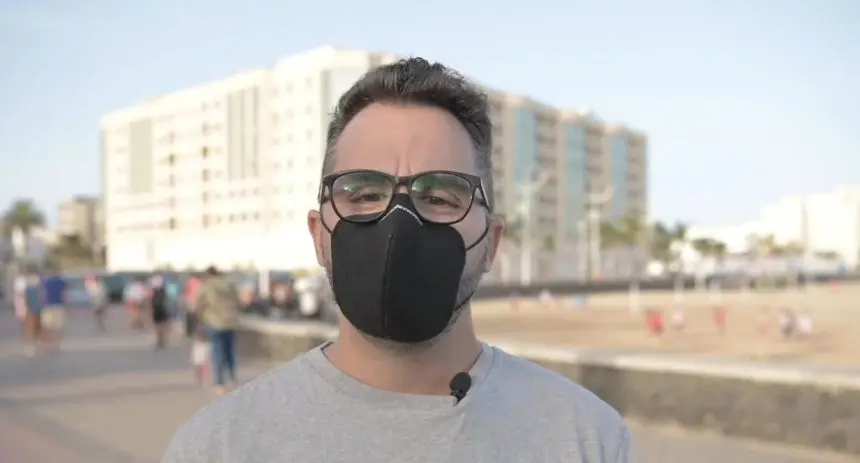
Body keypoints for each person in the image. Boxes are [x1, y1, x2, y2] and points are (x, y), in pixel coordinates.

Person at [163, 58, 633, 462]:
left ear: (491, 242)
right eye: (364, 193)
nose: (400, 221)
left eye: (442, 197)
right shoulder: (217, 448)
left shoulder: (588, 440)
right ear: (318, 235)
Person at [195, 266, 241, 396]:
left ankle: (219, 383)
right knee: (230, 352)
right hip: (230, 322)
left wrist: (200, 323)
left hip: (214, 323)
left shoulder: (207, 286)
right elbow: (238, 303)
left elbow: (200, 304)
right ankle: (233, 379)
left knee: (217, 353)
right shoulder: (230, 285)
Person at [41, 271, 67, 352]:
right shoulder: (61, 282)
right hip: (58, 305)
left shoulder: (46, 281)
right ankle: (56, 344)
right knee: (57, 326)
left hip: (48, 305)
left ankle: (49, 343)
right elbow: (64, 294)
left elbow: (43, 293)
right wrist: (66, 304)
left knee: (47, 325)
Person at [21, 268, 45, 357]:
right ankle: (34, 345)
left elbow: (25, 298)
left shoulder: (29, 286)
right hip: (36, 308)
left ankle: (31, 347)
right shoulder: (38, 285)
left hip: (31, 308)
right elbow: (42, 297)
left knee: (30, 328)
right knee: (36, 327)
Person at [149, 274, 171, 349]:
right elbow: (167, 300)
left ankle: (158, 340)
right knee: (163, 324)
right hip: (163, 308)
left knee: (157, 325)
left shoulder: (153, 291)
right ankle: (162, 339)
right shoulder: (163, 291)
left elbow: (150, 300)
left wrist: (150, 309)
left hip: (156, 309)